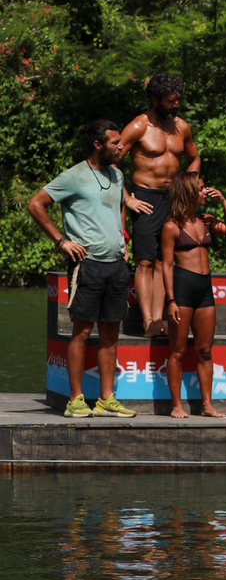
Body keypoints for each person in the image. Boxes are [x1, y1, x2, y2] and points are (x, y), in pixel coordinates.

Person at [27, 120, 137, 418]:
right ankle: (76, 399)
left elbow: (118, 208)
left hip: (116, 264)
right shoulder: (74, 176)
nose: (121, 146)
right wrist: (61, 240)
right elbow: (36, 204)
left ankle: (106, 399)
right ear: (98, 145)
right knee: (82, 331)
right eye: (115, 142)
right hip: (86, 264)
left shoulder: (117, 174)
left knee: (111, 334)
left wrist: (122, 239)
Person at [120, 75, 200, 337]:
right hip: (145, 196)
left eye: (178, 100)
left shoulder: (181, 127)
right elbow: (110, 162)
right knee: (144, 261)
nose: (176, 105)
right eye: (170, 101)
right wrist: (127, 198)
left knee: (164, 260)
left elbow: (194, 158)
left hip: (173, 197)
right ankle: (149, 320)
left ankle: (159, 320)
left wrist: (189, 188)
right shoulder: (138, 127)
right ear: (155, 100)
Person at [160, 175, 226, 418]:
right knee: (178, 350)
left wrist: (224, 201)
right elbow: (166, 266)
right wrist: (171, 301)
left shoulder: (206, 221)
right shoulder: (171, 226)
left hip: (205, 289)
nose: (206, 191)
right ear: (188, 192)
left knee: (205, 350)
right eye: (201, 188)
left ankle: (207, 405)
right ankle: (177, 406)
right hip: (183, 288)